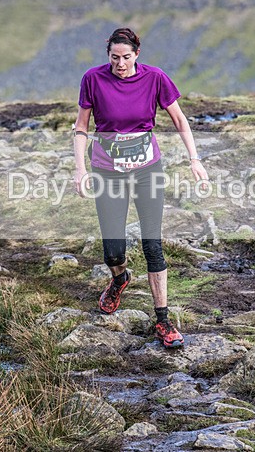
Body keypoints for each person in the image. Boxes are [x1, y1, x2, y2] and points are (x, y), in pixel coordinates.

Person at [73, 27, 208, 349]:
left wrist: (195, 159)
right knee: (113, 250)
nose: (120, 64)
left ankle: (162, 320)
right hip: (107, 170)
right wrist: (79, 170)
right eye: (114, 58)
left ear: (137, 54)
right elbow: (81, 127)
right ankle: (120, 278)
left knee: (152, 244)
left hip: (148, 169)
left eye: (126, 57)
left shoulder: (155, 78)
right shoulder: (93, 79)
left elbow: (179, 119)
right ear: (108, 55)